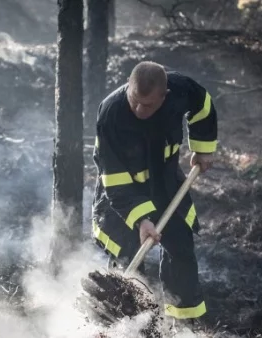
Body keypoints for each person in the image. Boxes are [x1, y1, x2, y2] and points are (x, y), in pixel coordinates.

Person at [90, 61, 217, 325]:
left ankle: (183, 324)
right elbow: (114, 178)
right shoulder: (111, 114)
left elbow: (203, 104)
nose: (138, 109)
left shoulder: (181, 90)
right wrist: (141, 219)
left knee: (180, 249)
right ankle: (126, 323)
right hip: (123, 193)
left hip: (166, 184)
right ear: (129, 84)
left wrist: (203, 147)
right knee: (127, 253)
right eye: (134, 100)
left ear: (165, 96)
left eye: (147, 105)